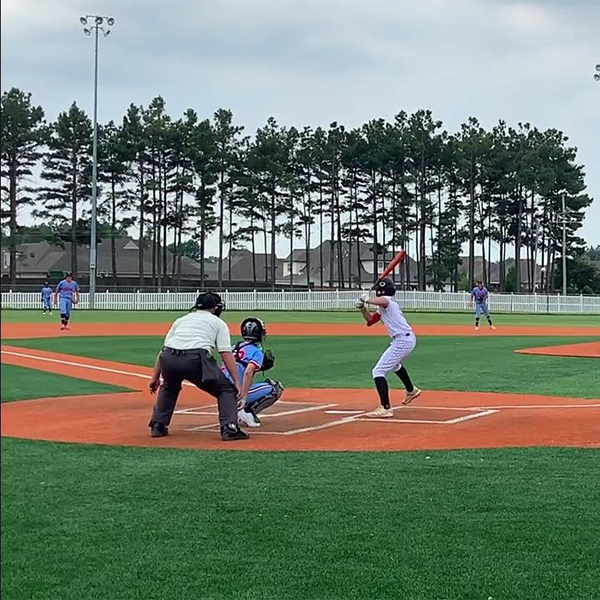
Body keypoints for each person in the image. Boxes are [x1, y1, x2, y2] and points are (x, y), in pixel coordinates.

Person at [148, 291, 249, 441]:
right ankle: (230, 428)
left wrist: (155, 377)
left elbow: (163, 350)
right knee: (226, 390)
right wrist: (236, 382)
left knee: (169, 387)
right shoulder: (218, 323)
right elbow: (225, 353)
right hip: (194, 358)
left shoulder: (181, 320)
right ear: (215, 308)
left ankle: (158, 425)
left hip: (168, 358)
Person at [355, 277, 421, 418]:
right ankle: (411, 390)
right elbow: (371, 321)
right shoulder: (384, 305)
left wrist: (367, 299)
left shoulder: (387, 301)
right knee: (395, 365)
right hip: (404, 339)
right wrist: (362, 308)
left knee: (378, 371)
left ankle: (386, 408)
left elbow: (383, 301)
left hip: (403, 339)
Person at [222, 317, 284, 428]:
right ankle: (246, 410)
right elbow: (248, 372)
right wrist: (243, 397)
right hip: (236, 393)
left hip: (222, 391)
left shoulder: (236, 346)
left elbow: (237, 366)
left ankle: (235, 406)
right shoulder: (256, 352)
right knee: (276, 388)